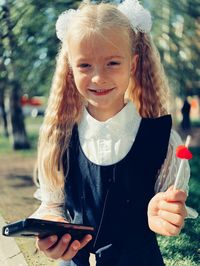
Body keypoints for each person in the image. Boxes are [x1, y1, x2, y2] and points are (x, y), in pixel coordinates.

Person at [31, 1, 197, 265]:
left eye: (112, 62)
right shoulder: (58, 137)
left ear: (132, 64)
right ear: (70, 68)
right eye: (85, 65)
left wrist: (163, 213)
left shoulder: (162, 141)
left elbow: (170, 205)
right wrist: (51, 224)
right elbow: (53, 205)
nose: (98, 77)